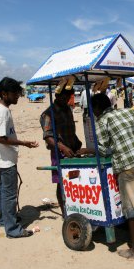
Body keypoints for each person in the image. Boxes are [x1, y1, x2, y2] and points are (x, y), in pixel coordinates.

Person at [77, 93, 134, 261]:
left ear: (97, 108)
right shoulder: (127, 112)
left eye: (93, 109)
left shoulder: (102, 122)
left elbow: (103, 151)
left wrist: (86, 150)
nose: (93, 113)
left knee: (131, 208)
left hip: (127, 166)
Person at [0, 77, 39, 238]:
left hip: (3, 158)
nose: (18, 96)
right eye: (15, 93)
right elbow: (0, 138)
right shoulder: (2, 111)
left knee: (3, 191)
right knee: (9, 194)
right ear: (4, 94)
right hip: (6, 160)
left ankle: (4, 219)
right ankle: (12, 229)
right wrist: (23, 142)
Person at [40, 85, 82, 217]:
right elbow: (48, 137)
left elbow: (71, 131)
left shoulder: (68, 109)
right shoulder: (48, 114)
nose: (65, 99)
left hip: (73, 150)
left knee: (75, 180)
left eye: (68, 97)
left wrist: (77, 145)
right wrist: (62, 147)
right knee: (61, 183)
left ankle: (75, 207)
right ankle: (65, 213)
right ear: (57, 96)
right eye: (63, 97)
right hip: (59, 153)